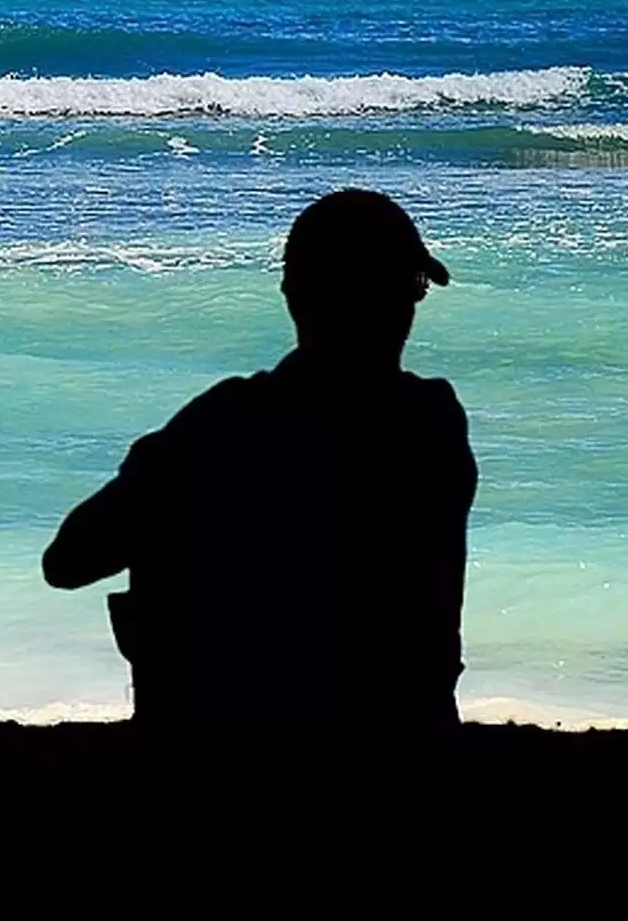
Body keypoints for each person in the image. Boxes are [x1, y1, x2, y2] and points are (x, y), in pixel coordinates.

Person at [42, 189, 478, 748]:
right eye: (410, 286)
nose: (411, 306)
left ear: (293, 294)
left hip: (222, 746)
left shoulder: (221, 428)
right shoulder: (434, 422)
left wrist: (160, 466)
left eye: (411, 287)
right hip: (406, 734)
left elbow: (68, 561)